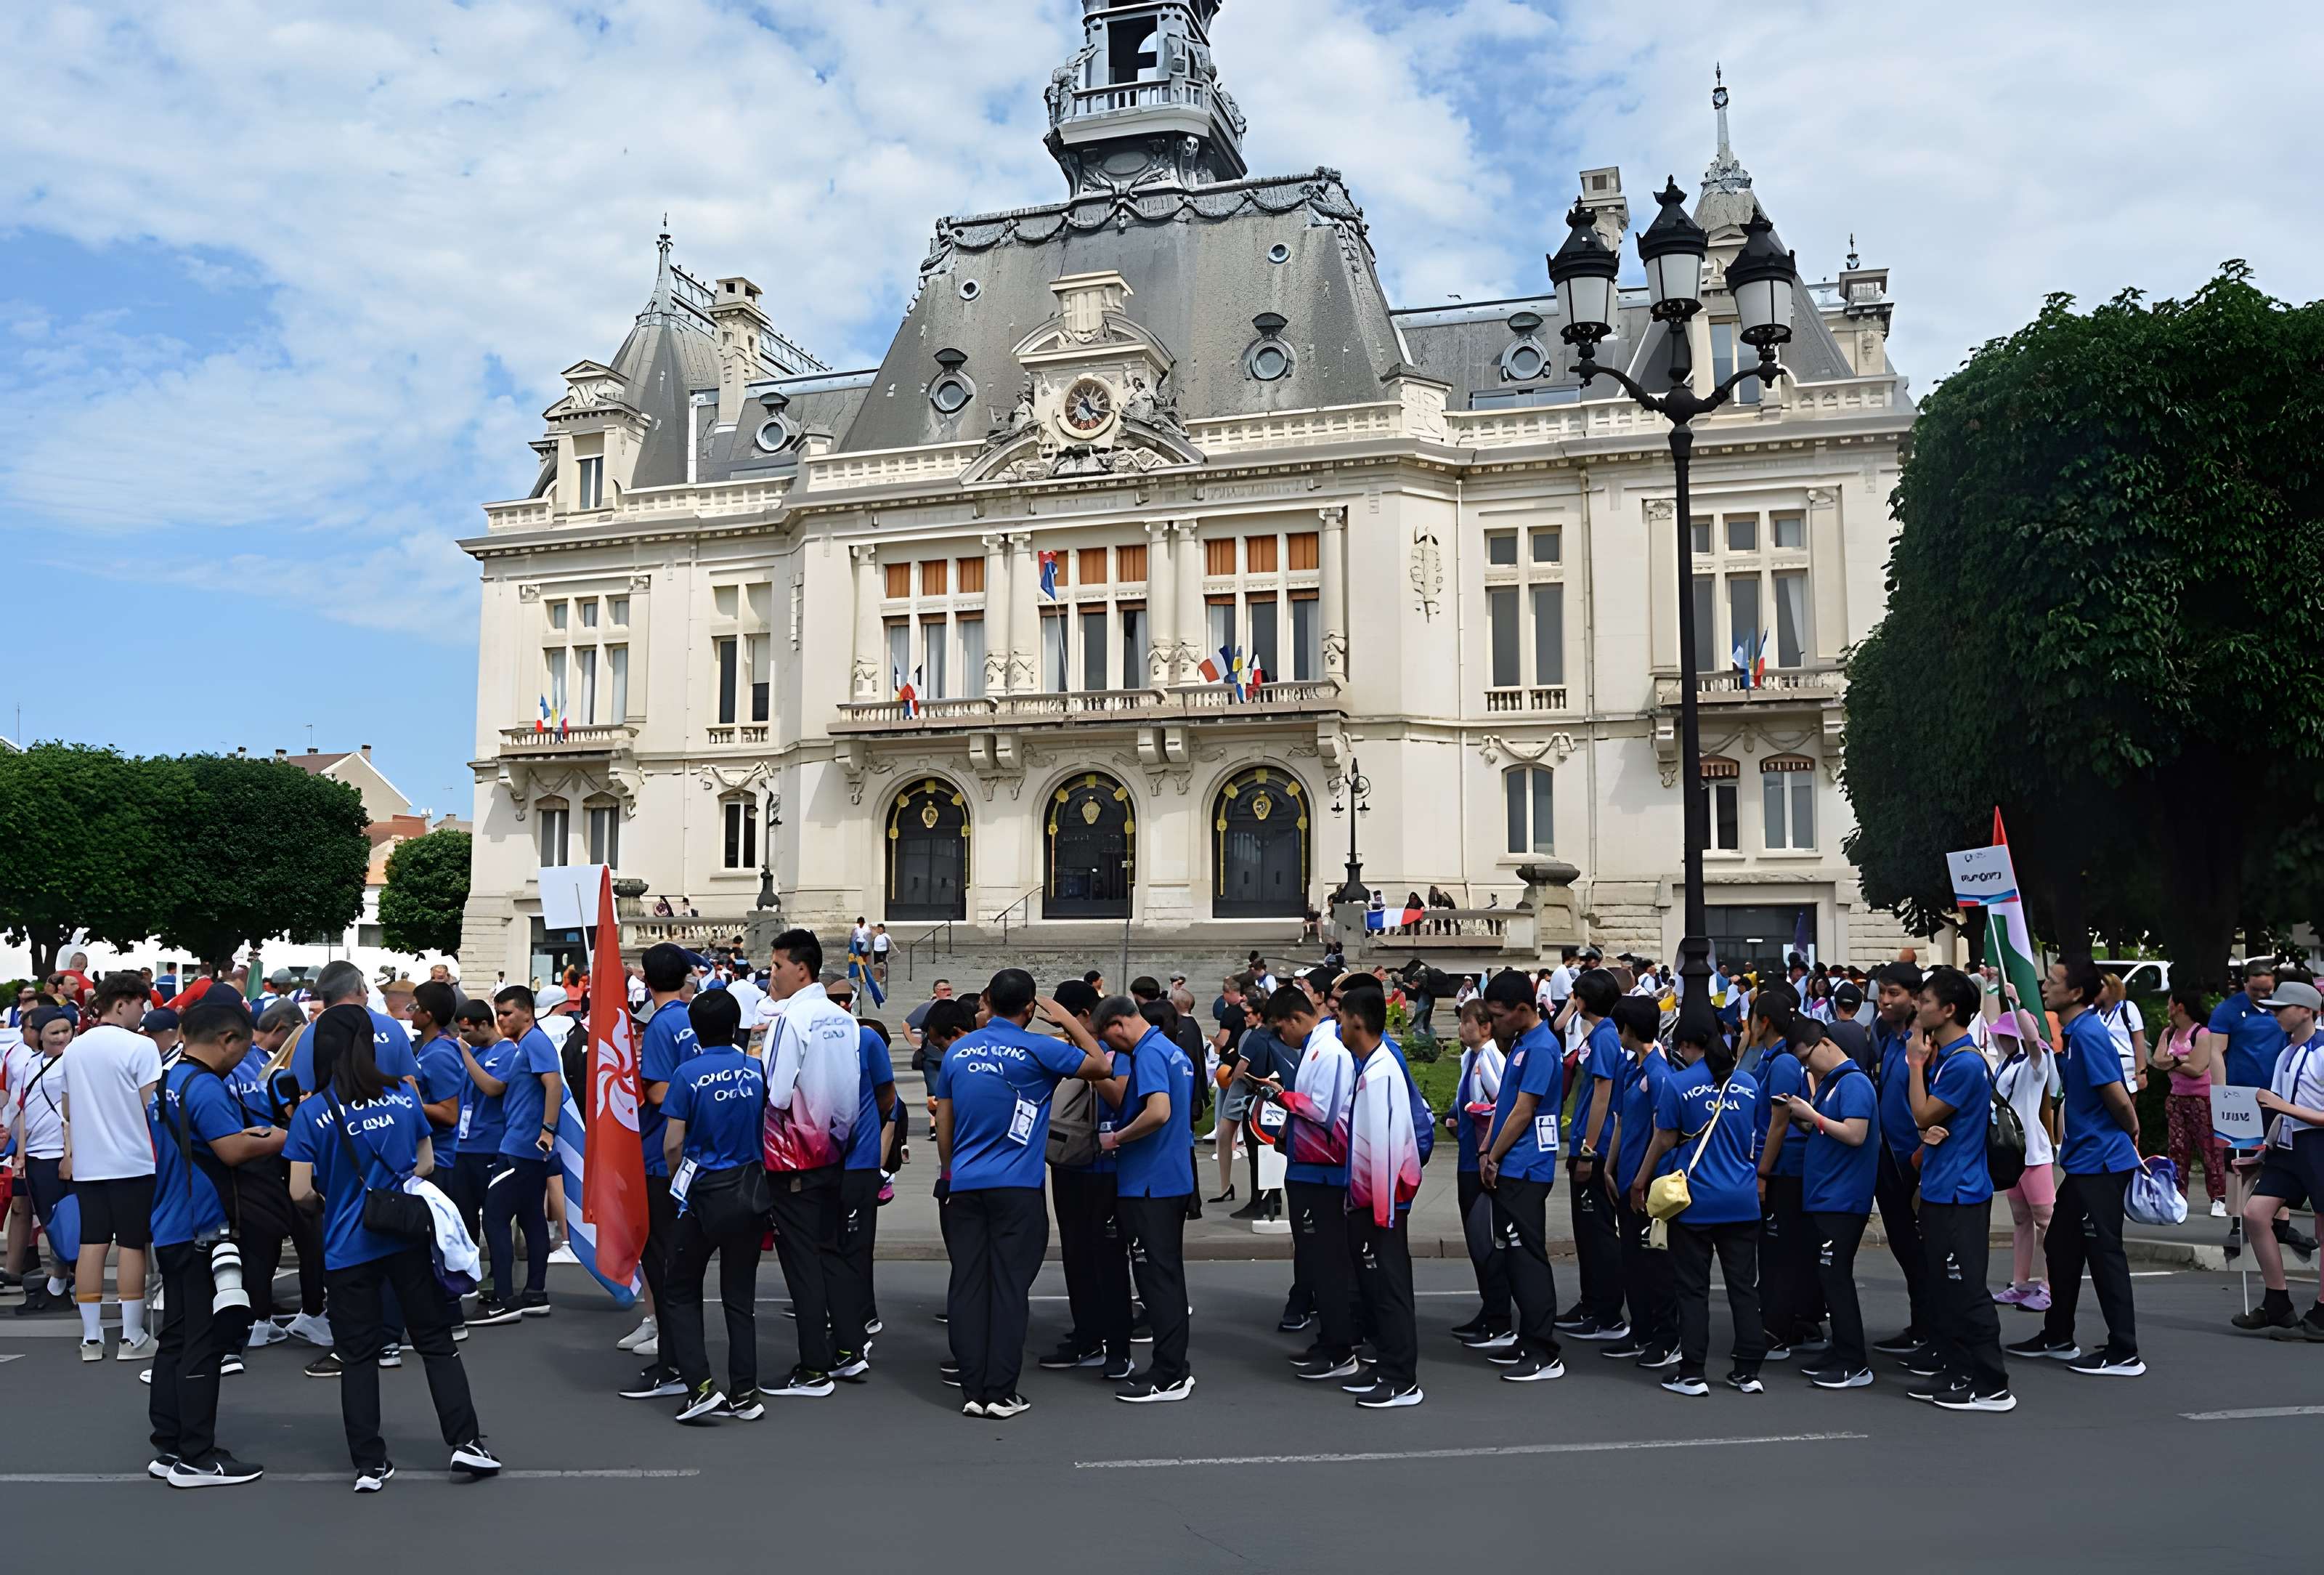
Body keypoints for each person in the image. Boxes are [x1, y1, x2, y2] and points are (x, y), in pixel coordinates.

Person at [285, 1005, 501, 1491]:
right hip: (405, 1234)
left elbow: (299, 1191)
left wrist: (334, 1198)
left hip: (346, 1245)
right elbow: (424, 1164)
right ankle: (466, 1442)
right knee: (436, 1343)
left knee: (358, 1356)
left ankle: (369, 1463)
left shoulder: (314, 1111)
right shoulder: (403, 1093)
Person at [935, 970, 1114, 1419]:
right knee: (1010, 1288)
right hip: (1017, 1188)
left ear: (989, 1001)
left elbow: (945, 1125)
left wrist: (949, 1171)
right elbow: (1102, 1065)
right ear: (1031, 1009)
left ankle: (973, 1388)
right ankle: (999, 1391)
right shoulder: (1040, 1048)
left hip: (966, 1185)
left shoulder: (959, 1050)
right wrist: (1067, 1021)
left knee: (968, 1284)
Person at [147, 993, 283, 1486]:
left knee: (176, 1339)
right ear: (227, 1039)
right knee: (205, 1343)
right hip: (204, 1226)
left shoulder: (169, 1078)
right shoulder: (205, 1088)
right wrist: (286, 1136)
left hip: (171, 1221)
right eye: (242, 1048)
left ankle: (168, 1444)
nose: (241, 1059)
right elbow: (231, 1150)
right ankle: (197, 1456)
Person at [2012, 957, 2144, 1375]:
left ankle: (2124, 1351)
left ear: (2075, 994)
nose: (2045, 986)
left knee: (2105, 1254)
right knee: (2061, 1245)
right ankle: (2057, 1336)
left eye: (2052, 981)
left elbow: (2117, 1095)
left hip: (2101, 1163)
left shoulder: (2088, 1034)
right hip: (2085, 1162)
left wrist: (2133, 1130)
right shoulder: (2074, 1033)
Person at [1633, 1014, 1766, 1397]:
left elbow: (1663, 1139)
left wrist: (1640, 1181)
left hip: (1695, 1201)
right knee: (1744, 1287)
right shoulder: (1749, 1084)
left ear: (1689, 1046)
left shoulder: (1677, 1085)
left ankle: (1692, 1371)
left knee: (1692, 1288)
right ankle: (1748, 1370)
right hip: (1741, 1199)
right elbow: (1752, 1138)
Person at [656, 987, 771, 1422]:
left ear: (695, 1029)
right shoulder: (756, 1070)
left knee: (681, 1290)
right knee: (739, 1296)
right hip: (749, 1192)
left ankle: (701, 1386)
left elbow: (673, 1143)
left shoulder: (687, 1074)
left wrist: (678, 1182)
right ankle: (746, 1392)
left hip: (703, 1194)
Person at [1905, 966, 2015, 1411]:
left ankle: (1991, 1385)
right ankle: (1957, 1372)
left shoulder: (1965, 1062)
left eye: (1926, 1001)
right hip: (1942, 1189)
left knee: (1966, 1290)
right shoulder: (1952, 1058)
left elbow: (1922, 1115)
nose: (1918, 1007)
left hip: (1960, 1194)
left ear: (1949, 1010)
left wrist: (1915, 1064)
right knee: (1946, 1290)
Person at [757, 934, 861, 1396]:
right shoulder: (844, 1019)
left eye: (777, 965)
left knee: (802, 1264)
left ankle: (814, 1368)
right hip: (834, 1151)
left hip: (794, 1156)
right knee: (831, 1254)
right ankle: (847, 1350)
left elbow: (778, 1094)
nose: (771, 974)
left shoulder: (791, 1018)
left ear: (802, 969)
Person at [1335, 981, 1433, 1408]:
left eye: (1341, 1016)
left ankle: (1401, 1378)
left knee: (1390, 1288)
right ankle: (1386, 1363)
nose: (1337, 1023)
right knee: (1379, 1288)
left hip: (1381, 1204)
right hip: (1372, 1200)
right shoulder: (1371, 1065)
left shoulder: (1379, 1072)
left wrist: (1378, 1212)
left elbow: (1388, 1146)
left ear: (1357, 1021)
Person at [1102, 995, 1198, 1402]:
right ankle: (1173, 1367)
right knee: (1167, 1278)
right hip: (1170, 1179)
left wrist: (1117, 1138)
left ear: (1120, 1025)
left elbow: (1158, 1111)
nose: (1113, 1050)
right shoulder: (1172, 1050)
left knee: (1157, 1281)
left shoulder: (1150, 1054)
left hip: (1148, 1184)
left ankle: (1169, 1374)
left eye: (1109, 1039)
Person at [62, 973, 164, 1361]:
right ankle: (132, 1335)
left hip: (90, 1163)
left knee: (91, 1245)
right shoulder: (140, 1047)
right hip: (133, 1161)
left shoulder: (74, 1049)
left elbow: (69, 1109)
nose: (144, 1012)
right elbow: (152, 1106)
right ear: (121, 1003)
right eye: (141, 1004)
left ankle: (91, 1337)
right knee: (132, 1245)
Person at [1039, 980, 1131, 1380]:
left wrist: (1090, 1059)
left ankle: (1117, 1345)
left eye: (1065, 1019)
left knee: (1107, 1261)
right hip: (1070, 1164)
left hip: (1107, 1169)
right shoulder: (1070, 1049)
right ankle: (1088, 1336)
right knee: (1077, 1256)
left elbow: (1121, 1098)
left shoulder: (1120, 1050)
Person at [1477, 969, 1565, 1384]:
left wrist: (1493, 1155)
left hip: (1526, 1167)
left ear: (1523, 1010)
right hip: (1509, 1163)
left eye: (1498, 1015)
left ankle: (1543, 1348)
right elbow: (1505, 1105)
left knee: (1528, 1257)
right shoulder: (1521, 1045)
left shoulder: (1542, 1049)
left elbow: (1524, 1111)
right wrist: (1486, 1150)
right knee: (1512, 1256)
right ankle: (1528, 1337)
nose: (1493, 1023)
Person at [1781, 1018, 1878, 1388]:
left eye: (1807, 1059)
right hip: (1826, 1195)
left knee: (1836, 1279)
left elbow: (1855, 1134)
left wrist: (1813, 1116)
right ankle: (1841, 1349)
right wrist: (1804, 1116)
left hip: (1843, 1199)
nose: (1807, 1067)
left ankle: (1854, 1362)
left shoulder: (1853, 1083)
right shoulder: (1833, 1085)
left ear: (1824, 1044)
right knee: (1829, 1278)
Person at [2232, 978, 2324, 1340]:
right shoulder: (2286, 1053)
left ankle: (2321, 1310)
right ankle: (2277, 1303)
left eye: (2281, 1008)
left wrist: (2284, 1108)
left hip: (2317, 1145)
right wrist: (2263, 1150)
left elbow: (2285, 1107)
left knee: (2321, 1227)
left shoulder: (2322, 1050)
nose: (2275, 1015)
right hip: (2286, 1148)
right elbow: (2278, 1110)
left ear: (2305, 1010)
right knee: (2255, 1215)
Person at [2204, 962, 2302, 1260]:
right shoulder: (2229, 1010)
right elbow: (2216, 1052)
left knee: (2279, 1155)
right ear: (2244, 983)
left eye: (2267, 990)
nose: (2262, 995)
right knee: (2238, 1157)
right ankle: (2237, 1222)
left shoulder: (2281, 1010)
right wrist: (2221, 1095)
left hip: (2275, 1095)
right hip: (2241, 1096)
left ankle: (2282, 1221)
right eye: (2256, 990)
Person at [825, 973, 896, 1380]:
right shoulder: (806, 1038)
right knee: (833, 1249)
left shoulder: (865, 1040)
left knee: (854, 1248)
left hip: (857, 1165)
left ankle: (858, 1324)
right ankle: (846, 1324)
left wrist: (870, 1132)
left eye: (842, 998)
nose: (837, 1005)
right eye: (829, 998)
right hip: (822, 1164)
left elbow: (887, 1096)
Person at [479, 985, 564, 1322]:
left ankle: (503, 1298)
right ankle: (535, 1293)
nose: (501, 1020)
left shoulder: (535, 1042)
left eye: (507, 1013)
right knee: (530, 1217)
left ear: (528, 1011)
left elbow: (554, 1084)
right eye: (498, 1014)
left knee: (496, 1216)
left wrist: (548, 1130)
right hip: (522, 1146)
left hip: (522, 1147)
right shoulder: (525, 1044)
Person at [1601, 995, 1676, 1368]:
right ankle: (1641, 1328)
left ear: (1628, 1029)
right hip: (1628, 1178)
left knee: (1654, 1267)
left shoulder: (1660, 1074)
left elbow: (1665, 1135)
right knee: (1632, 1261)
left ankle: (1666, 1337)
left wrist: (1642, 1184)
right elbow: (1620, 1121)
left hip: (1647, 1187)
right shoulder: (1632, 1068)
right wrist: (1609, 1168)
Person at [1866, 962, 1933, 1361]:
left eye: (1893, 994)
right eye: (1881, 993)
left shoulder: (1923, 1043)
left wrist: (1921, 1158)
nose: (1885, 1001)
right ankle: (1920, 1325)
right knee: (1905, 1247)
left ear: (1914, 998)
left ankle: (1931, 1330)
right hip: (1887, 1159)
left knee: (1921, 1250)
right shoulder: (1884, 1037)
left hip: (1915, 1162)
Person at [1561, 968, 1628, 1341]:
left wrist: (1587, 1150)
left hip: (1594, 1147)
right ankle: (1591, 1302)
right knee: (1587, 1232)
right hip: (1589, 1144)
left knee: (1597, 1231)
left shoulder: (1604, 1037)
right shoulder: (1602, 1034)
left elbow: (1603, 1094)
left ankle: (1606, 1311)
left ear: (1583, 1001)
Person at [1444, 999, 1511, 1348]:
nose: (1461, 1028)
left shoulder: (1490, 1058)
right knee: (1476, 1242)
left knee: (1485, 1243)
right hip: (1467, 1159)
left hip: (1480, 1164)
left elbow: (1504, 1106)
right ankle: (1490, 1312)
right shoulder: (1470, 1059)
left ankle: (1499, 1320)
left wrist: (1490, 1154)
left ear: (1485, 1027)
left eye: (1466, 1022)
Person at [6, 1005, 75, 1316]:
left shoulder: (74, 1063)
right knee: (49, 1223)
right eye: (54, 1032)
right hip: (34, 1155)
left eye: (66, 1030)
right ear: (39, 1036)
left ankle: (62, 1285)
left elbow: (71, 1115)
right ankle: (58, 1285)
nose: (62, 1037)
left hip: (58, 1154)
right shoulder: (30, 1065)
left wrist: (69, 1155)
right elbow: (23, 1111)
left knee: (62, 1225)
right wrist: (19, 1154)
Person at [2152, 987, 2226, 1215]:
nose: (2167, 1008)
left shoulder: (2201, 1033)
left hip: (2201, 1100)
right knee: (2177, 1149)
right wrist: (2180, 1058)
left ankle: (2219, 1197)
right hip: (2176, 1098)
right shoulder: (2169, 1033)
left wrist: (2171, 1061)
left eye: (2170, 1003)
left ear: (2180, 1007)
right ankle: (2177, 1197)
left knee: (2210, 1150)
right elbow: (2156, 1060)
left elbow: (2197, 1068)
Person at [1208, 976, 1251, 1204]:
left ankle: (1231, 1149)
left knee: (1225, 1119)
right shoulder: (1247, 1023)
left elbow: (1223, 1043)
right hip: (1242, 1071)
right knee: (1235, 1120)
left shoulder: (1231, 1014)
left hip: (1231, 1069)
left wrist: (1213, 1042)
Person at [904, 979, 954, 1056]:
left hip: (950, 1053)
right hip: (931, 1056)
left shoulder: (956, 1006)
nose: (948, 992)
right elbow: (906, 1024)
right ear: (936, 991)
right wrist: (915, 1044)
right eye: (944, 990)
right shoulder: (927, 1007)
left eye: (949, 989)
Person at [870, 923, 892, 989]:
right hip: (881, 960)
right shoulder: (883, 938)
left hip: (878, 961)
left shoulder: (878, 939)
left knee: (879, 971)